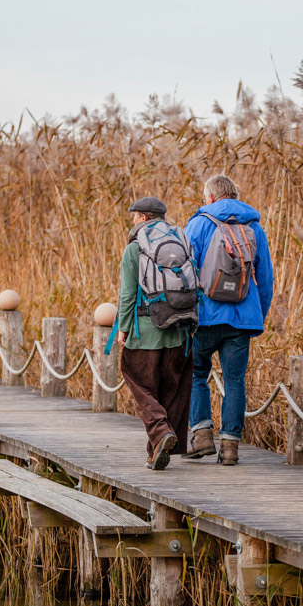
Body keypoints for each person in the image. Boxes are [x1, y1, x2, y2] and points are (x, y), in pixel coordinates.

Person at [183, 175, 273, 465]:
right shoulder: (254, 227)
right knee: (235, 380)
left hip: (204, 316)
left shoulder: (198, 223)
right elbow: (266, 278)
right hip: (242, 319)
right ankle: (231, 448)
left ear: (210, 197)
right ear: (235, 195)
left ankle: (202, 436)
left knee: (196, 375)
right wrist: (257, 315)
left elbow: (183, 272)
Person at [116, 196, 196, 470]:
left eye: (134, 215)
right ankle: (156, 453)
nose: (132, 220)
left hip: (145, 332)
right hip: (180, 332)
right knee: (169, 392)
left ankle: (162, 434)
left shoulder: (135, 249)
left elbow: (127, 295)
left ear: (143, 217)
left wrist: (123, 329)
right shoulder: (183, 243)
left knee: (140, 386)